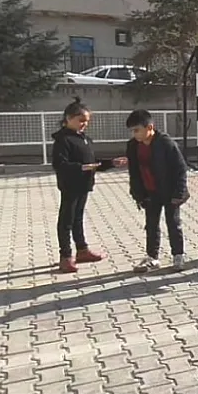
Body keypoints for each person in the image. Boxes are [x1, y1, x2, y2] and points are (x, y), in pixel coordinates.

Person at [51, 97, 127, 273]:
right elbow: (60, 164)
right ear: (69, 119)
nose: (84, 124)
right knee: (66, 221)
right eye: (81, 120)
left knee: (78, 218)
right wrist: (82, 168)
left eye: (87, 121)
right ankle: (66, 256)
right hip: (70, 186)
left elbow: (93, 162)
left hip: (84, 185)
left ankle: (82, 250)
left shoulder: (84, 139)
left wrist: (111, 163)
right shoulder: (63, 140)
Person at [126, 109, 189, 273]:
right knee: (151, 225)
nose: (135, 134)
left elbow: (181, 169)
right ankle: (152, 257)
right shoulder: (133, 146)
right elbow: (134, 172)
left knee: (173, 223)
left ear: (150, 127)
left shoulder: (166, 143)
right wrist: (137, 193)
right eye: (132, 131)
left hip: (170, 192)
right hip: (150, 192)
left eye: (137, 130)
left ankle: (178, 255)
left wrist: (178, 193)